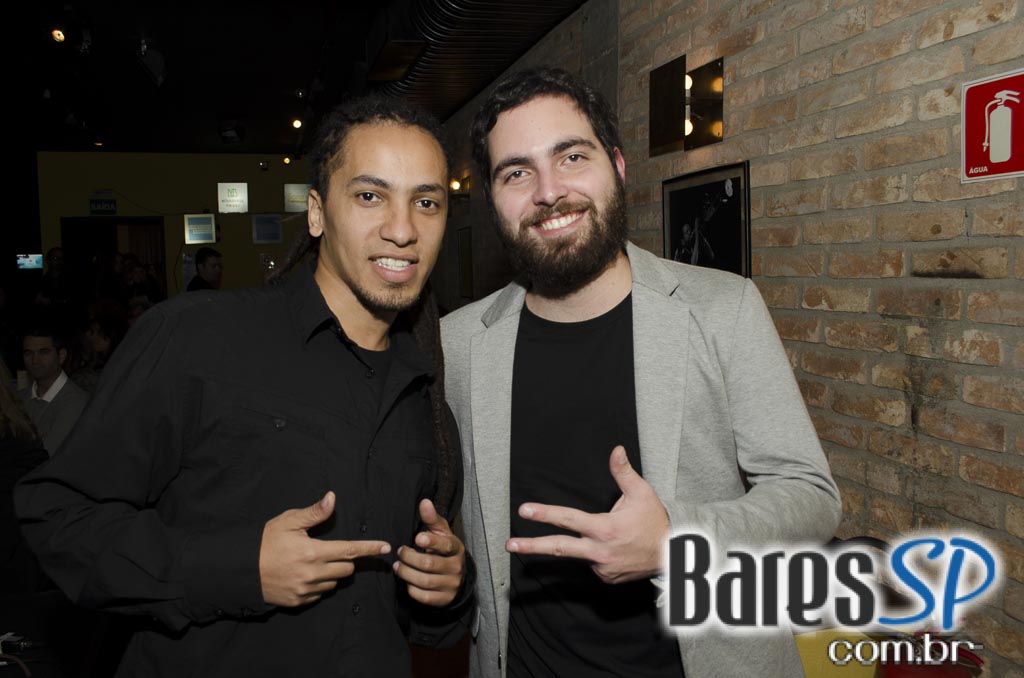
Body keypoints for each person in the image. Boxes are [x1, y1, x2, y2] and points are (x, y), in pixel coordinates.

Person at [16, 94, 471, 677]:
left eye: (426, 202)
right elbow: (56, 515)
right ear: (316, 213)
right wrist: (235, 569)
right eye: (369, 196)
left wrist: (446, 586)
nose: (402, 229)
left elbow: (413, 618)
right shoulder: (197, 337)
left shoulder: (425, 398)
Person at [441, 67, 841, 677]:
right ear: (492, 199)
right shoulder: (460, 343)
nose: (549, 191)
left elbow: (812, 498)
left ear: (619, 167)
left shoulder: (721, 308)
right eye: (516, 172)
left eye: (572, 156)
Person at [17, 328, 90, 455]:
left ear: (61, 356)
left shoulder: (76, 401)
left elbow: (46, 455)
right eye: (28, 353)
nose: (35, 360)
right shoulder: (19, 397)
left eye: (43, 352)